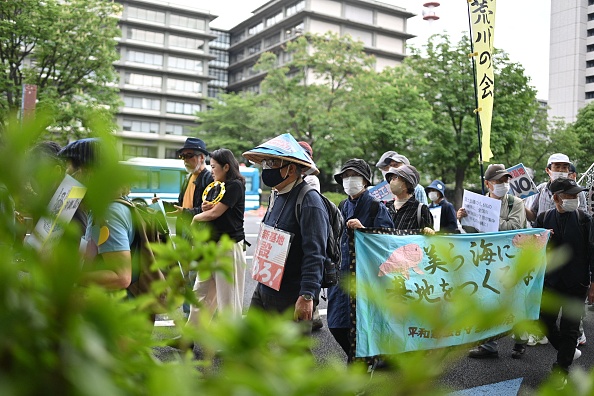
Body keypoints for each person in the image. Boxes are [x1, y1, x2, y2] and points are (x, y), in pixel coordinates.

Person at [243, 135, 329, 331]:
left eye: (272, 162)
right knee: (249, 342)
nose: (266, 167)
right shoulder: (277, 193)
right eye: (265, 162)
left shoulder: (309, 201)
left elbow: (315, 253)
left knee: (293, 355)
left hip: (291, 294)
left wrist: (307, 296)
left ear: (291, 168)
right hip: (266, 285)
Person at [458, 164, 528, 359]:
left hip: (511, 259)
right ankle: (489, 346)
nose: (503, 184)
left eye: (506, 180)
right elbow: (471, 232)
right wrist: (463, 218)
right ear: (487, 183)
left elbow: (514, 228)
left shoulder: (516, 203)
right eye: (498, 181)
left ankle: (520, 341)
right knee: (486, 301)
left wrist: (489, 216)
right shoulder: (475, 203)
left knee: (515, 300)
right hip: (485, 259)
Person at [327, 159, 393, 361]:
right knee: (336, 324)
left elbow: (388, 242)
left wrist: (365, 230)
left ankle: (360, 367)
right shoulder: (342, 205)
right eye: (345, 177)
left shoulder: (375, 207)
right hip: (341, 275)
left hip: (365, 277)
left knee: (361, 326)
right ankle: (363, 360)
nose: (349, 181)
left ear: (365, 181)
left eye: (353, 176)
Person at [534, 177, 594, 388]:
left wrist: (593, 283)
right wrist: (543, 239)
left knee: (570, 329)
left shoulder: (585, 219)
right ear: (556, 198)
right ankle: (566, 351)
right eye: (570, 196)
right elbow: (532, 249)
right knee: (543, 321)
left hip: (577, 283)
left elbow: (592, 253)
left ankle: (561, 370)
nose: (575, 199)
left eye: (576, 195)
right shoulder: (543, 218)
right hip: (550, 282)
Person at [524, 153, 587, 347]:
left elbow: (584, 219)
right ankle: (555, 339)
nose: (560, 171)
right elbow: (533, 216)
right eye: (557, 167)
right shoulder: (541, 190)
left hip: (570, 255)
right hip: (548, 257)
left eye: (564, 167)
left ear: (569, 171)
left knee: (571, 307)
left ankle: (576, 335)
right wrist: (521, 203)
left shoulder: (578, 192)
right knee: (547, 304)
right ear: (548, 170)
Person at [59, 138, 134, 292]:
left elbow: (121, 277)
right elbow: (96, 252)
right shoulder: (102, 208)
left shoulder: (109, 213)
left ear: (87, 172)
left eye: (70, 171)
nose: (66, 178)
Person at [187, 148, 246, 327]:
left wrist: (197, 218)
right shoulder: (218, 185)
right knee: (200, 293)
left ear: (226, 167)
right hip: (211, 246)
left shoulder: (235, 185)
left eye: (214, 167)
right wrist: (207, 207)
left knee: (228, 297)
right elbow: (213, 211)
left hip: (228, 246)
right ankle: (188, 336)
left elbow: (215, 214)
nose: (211, 170)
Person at [298, 141, 323, 331]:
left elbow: (315, 252)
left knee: (310, 262)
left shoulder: (311, 182)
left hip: (307, 230)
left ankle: (312, 312)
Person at [384, 165, 433, 230]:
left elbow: (429, 236)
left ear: (408, 183)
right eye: (391, 178)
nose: (392, 181)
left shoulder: (420, 209)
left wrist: (428, 230)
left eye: (396, 177)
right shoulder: (386, 207)